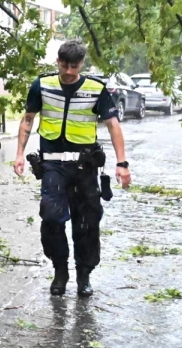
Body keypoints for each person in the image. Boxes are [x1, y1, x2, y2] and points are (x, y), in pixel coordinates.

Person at [13, 40, 132, 298]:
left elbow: (113, 126)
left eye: (74, 67)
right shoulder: (42, 85)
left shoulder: (96, 89)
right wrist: (20, 154)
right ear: (57, 61)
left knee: (87, 223)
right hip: (53, 165)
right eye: (64, 65)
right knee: (52, 218)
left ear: (82, 65)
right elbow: (28, 120)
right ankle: (60, 271)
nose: (68, 72)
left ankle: (84, 274)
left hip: (84, 166)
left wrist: (122, 163)